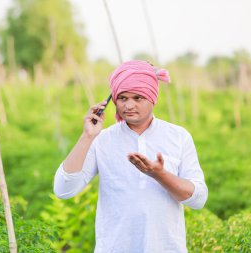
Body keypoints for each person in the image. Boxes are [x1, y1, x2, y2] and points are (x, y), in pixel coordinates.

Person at [53, 60, 208, 253]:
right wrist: (87, 136)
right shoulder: (102, 140)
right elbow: (64, 189)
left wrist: (159, 174)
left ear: (152, 98)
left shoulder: (178, 136)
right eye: (122, 98)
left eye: (137, 97)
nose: (129, 105)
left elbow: (198, 198)